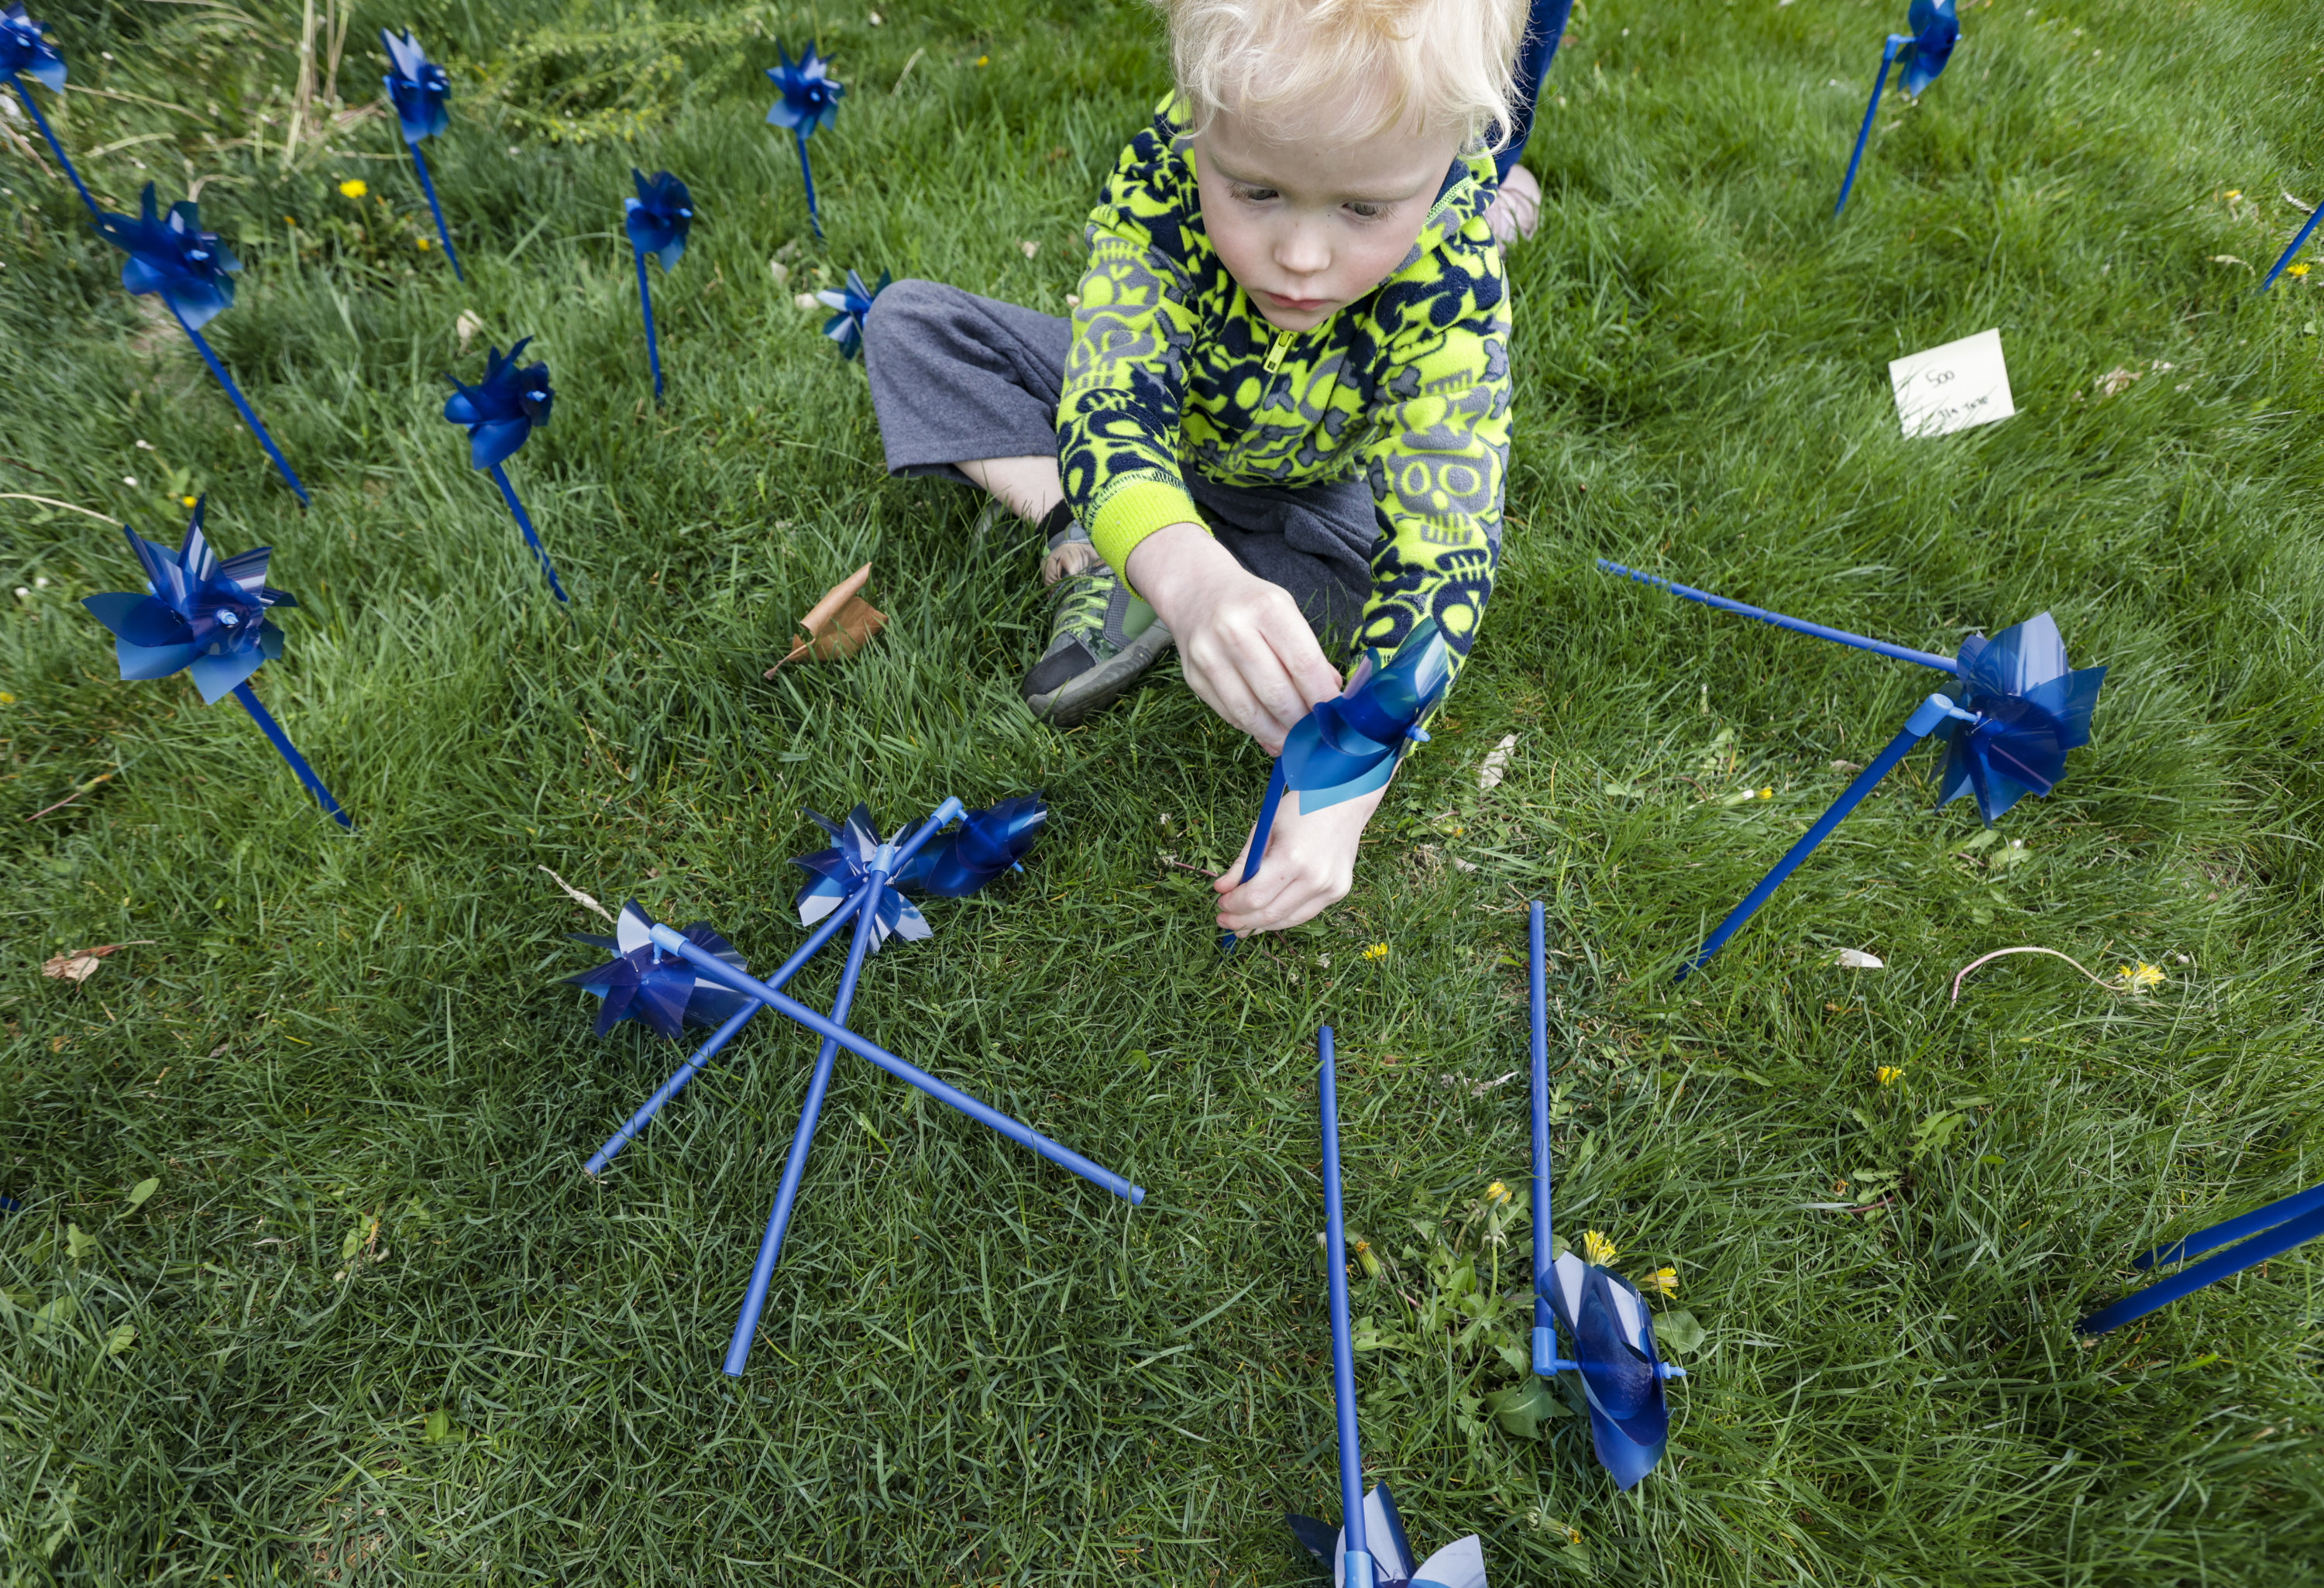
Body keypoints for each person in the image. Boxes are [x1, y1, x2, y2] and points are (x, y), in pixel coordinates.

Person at [862, 0, 1532, 937]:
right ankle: (1097, 531)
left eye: (1364, 209)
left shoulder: (1451, 265)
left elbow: (1446, 543)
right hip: (1157, 423)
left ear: (1458, 157)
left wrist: (1349, 772)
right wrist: (1189, 572)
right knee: (911, 325)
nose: (1300, 257)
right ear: (1197, 119)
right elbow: (1109, 408)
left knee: (1358, 601)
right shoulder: (1161, 179)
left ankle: (1154, 564)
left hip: (1305, 484)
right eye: (1255, 191)